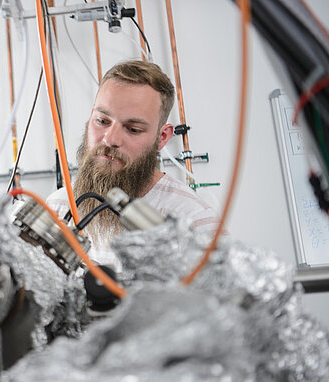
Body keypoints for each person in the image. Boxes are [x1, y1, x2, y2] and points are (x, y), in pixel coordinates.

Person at [46, 60, 219, 269]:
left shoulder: (193, 223)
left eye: (133, 129)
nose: (110, 139)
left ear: (162, 137)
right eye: (102, 121)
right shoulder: (56, 209)